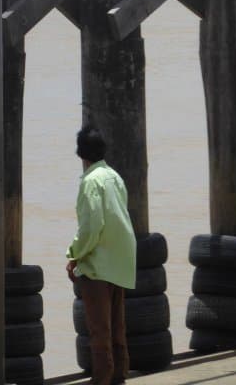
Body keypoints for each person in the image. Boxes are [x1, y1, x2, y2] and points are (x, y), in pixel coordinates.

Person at [66, 126, 136, 385]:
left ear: (80, 154)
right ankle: (120, 374)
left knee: (99, 328)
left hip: (99, 264)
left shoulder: (90, 181)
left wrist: (73, 254)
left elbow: (91, 228)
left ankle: (102, 379)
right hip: (121, 260)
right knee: (117, 326)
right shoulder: (114, 177)